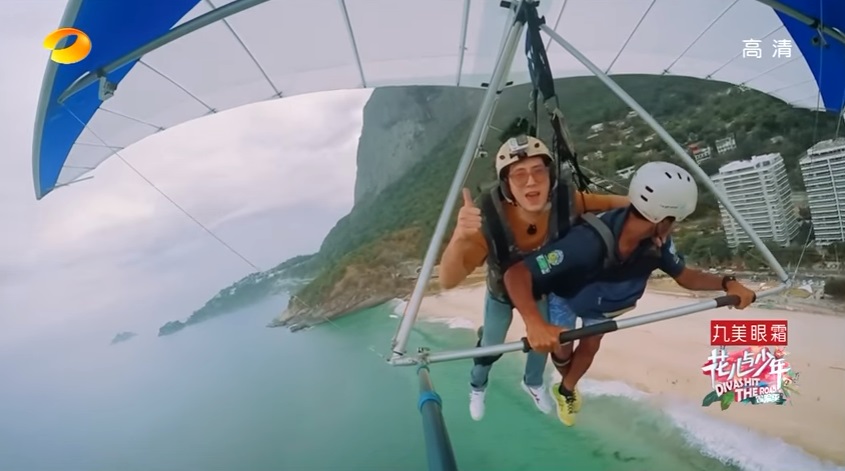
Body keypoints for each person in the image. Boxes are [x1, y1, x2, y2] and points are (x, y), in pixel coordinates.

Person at [502, 161, 757, 426]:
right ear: (662, 219)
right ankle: (565, 374)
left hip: (602, 303)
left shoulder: (658, 244)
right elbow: (516, 273)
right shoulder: (586, 242)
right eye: (673, 221)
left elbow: (685, 276)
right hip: (567, 295)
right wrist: (534, 322)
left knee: (589, 347)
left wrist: (727, 283)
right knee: (563, 351)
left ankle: (565, 390)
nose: (673, 227)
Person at [437, 134, 629, 421]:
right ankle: (478, 385)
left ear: (550, 177)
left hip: (538, 289)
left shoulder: (566, 202)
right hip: (502, 294)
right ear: (506, 184)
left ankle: (533, 382)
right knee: (490, 347)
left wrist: (652, 206)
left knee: (542, 339)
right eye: (519, 174)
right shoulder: (489, 219)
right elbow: (447, 280)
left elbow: (615, 202)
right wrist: (459, 238)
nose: (531, 181)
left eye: (538, 171)